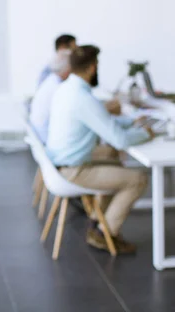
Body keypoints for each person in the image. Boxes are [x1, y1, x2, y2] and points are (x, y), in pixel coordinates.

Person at [46, 45, 153, 254]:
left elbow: (101, 121)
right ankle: (106, 233)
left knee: (113, 159)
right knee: (138, 179)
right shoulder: (83, 98)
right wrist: (147, 133)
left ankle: (97, 222)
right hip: (73, 171)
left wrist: (130, 122)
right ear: (93, 67)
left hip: (62, 163)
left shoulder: (66, 89)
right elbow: (120, 141)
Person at [29, 49, 71, 143]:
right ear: (67, 69)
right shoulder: (59, 89)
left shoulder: (51, 81)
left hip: (42, 135)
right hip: (49, 139)